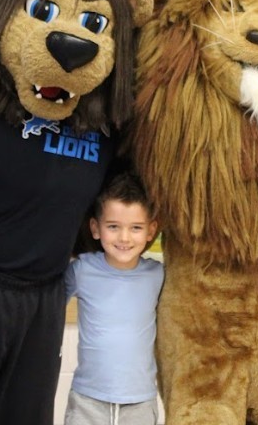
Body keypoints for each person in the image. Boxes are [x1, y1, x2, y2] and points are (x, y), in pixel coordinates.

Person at [64, 173, 165, 425]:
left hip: (140, 403)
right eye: (113, 226)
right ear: (95, 229)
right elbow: (46, 310)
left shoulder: (158, 275)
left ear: (151, 230)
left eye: (136, 228)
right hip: (88, 399)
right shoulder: (81, 270)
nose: (124, 238)